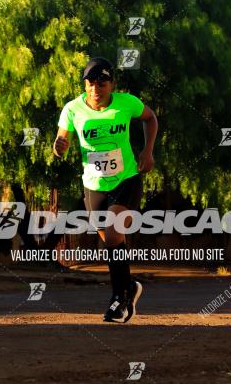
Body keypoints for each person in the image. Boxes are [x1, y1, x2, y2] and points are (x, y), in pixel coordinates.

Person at [53, 56, 158, 322]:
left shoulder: (126, 103)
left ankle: (118, 299)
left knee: (113, 234)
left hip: (126, 179)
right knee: (111, 241)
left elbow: (150, 118)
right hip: (94, 184)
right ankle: (130, 287)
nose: (95, 89)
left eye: (101, 83)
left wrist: (147, 151)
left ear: (112, 84)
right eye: (90, 83)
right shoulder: (73, 109)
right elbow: (61, 138)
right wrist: (59, 146)